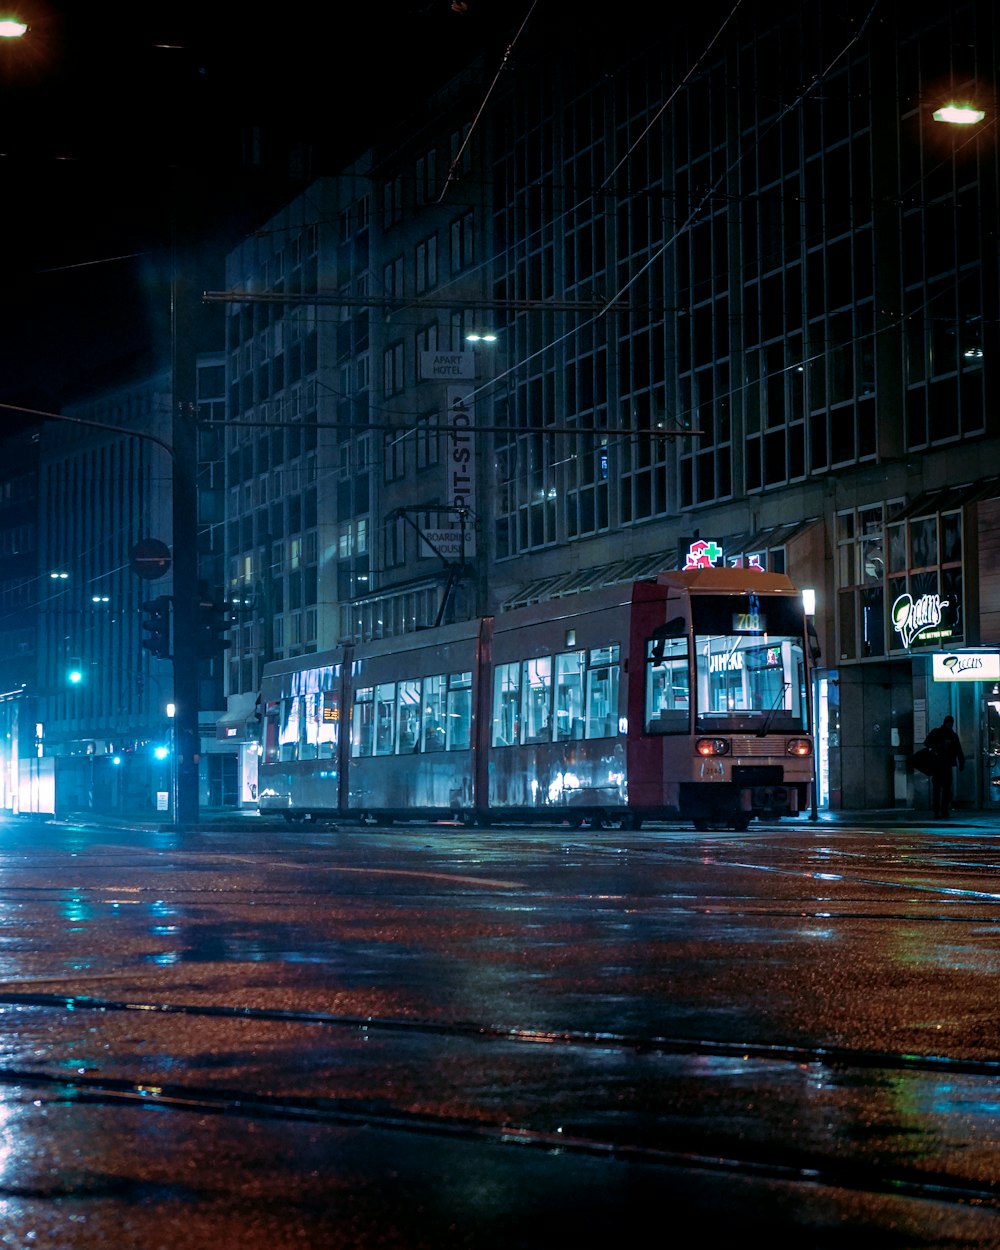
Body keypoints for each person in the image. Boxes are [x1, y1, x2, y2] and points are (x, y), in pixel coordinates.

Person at [924, 715, 965, 819]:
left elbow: (958, 750)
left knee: (941, 790)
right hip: (941, 765)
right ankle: (940, 810)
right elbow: (958, 750)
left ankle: (941, 810)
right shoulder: (946, 734)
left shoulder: (948, 735)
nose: (950, 725)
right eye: (949, 723)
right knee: (941, 789)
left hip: (942, 764)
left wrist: (961, 762)